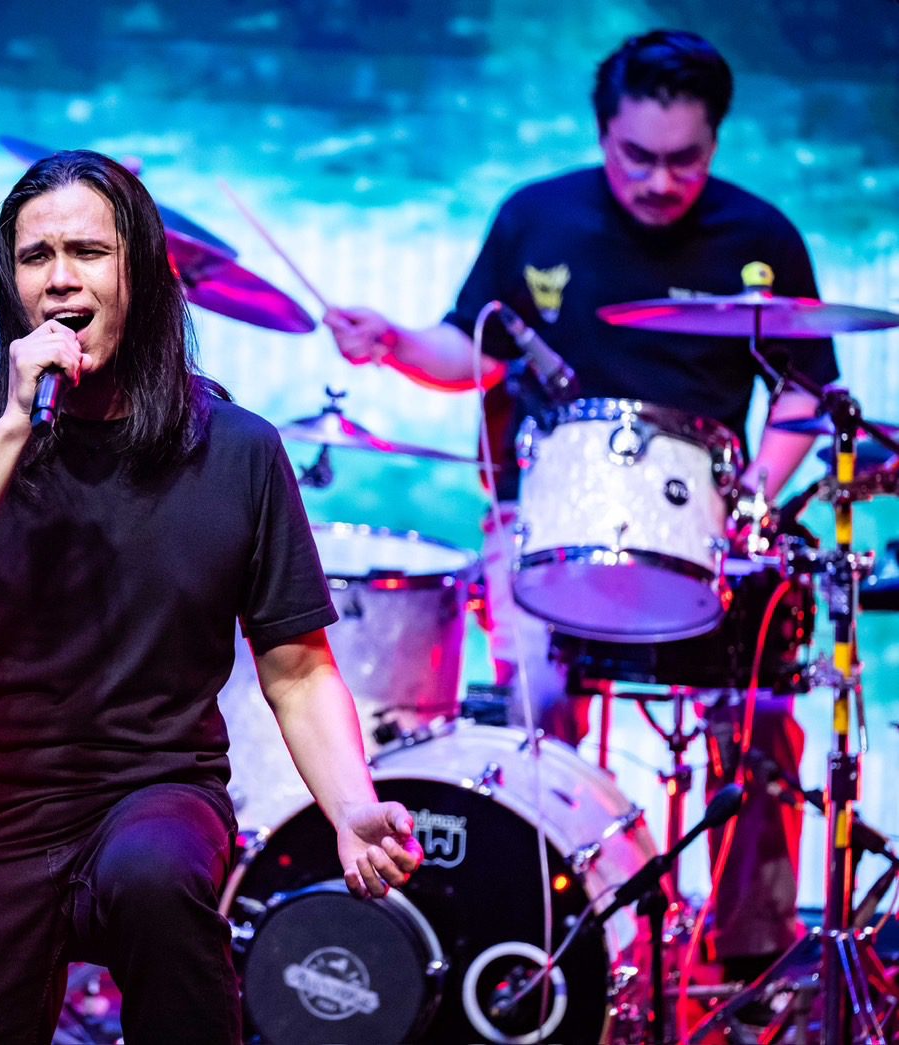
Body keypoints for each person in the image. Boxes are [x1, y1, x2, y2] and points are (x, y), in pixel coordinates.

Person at [0, 149, 422, 1044]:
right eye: (35, 256)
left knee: (156, 877)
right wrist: (11, 429)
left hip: (155, 787)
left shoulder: (235, 449)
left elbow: (297, 670)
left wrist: (350, 806)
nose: (59, 278)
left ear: (144, 276)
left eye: (87, 252)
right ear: (10, 283)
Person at [325, 30, 839, 984]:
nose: (658, 180)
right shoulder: (538, 217)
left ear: (715, 140)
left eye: (684, 159)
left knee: (765, 717)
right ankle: (548, 941)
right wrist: (393, 341)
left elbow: (805, 389)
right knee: (536, 706)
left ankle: (750, 958)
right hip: (549, 523)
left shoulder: (761, 237)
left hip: (701, 528)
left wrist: (756, 497)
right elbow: (470, 351)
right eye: (636, 156)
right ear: (603, 132)